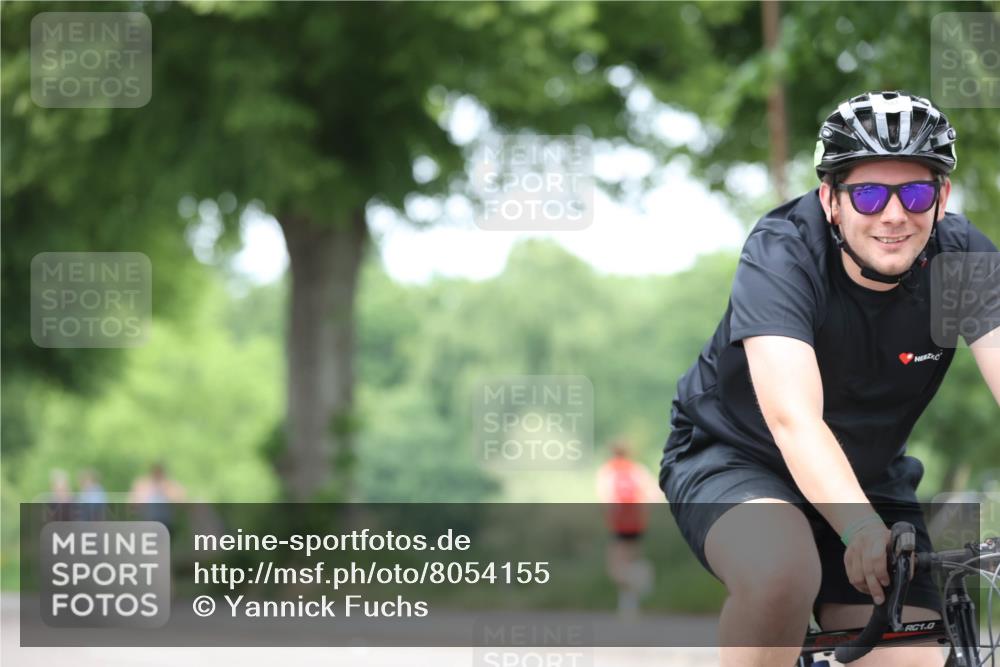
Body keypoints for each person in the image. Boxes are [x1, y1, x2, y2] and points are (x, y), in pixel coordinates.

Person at [659, 91, 1000, 667]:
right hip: (738, 459)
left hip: (869, 475)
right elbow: (794, 419)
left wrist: (867, 517)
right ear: (831, 200)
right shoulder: (784, 251)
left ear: (941, 198)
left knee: (912, 660)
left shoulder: (963, 261)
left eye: (916, 193)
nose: (894, 214)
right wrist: (860, 527)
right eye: (868, 194)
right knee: (781, 573)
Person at [596, 438, 661, 618]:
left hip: (618, 525)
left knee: (615, 569)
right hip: (637, 524)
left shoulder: (608, 471)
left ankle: (642, 576)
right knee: (630, 563)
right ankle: (628, 606)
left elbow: (605, 497)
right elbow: (655, 494)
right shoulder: (637, 470)